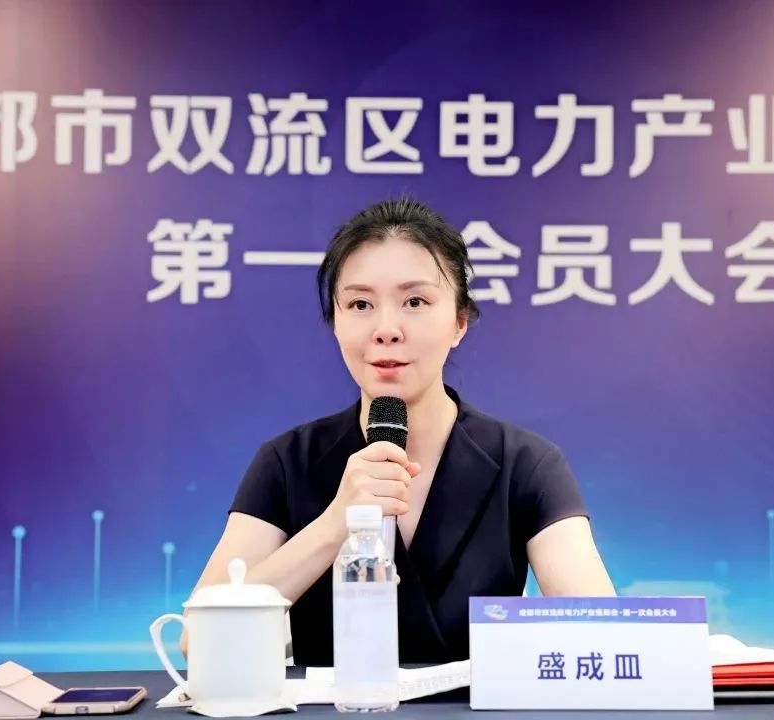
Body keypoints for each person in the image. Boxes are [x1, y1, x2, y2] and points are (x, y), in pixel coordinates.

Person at [182, 198, 615, 665]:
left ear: (459, 322)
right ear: (336, 323)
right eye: (360, 304)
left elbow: (605, 637)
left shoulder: (526, 464)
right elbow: (197, 642)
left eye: (415, 302)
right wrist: (334, 525)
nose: (386, 329)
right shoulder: (287, 462)